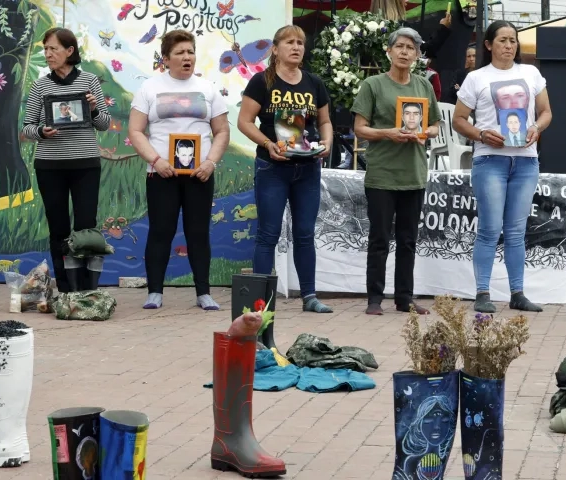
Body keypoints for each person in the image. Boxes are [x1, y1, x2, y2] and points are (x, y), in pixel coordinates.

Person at [452, 20, 552, 313]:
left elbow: (546, 112)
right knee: (489, 228)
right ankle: (482, 292)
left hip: (525, 160)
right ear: (488, 45)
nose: (509, 46)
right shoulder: (476, 78)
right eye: (502, 40)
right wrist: (481, 134)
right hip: (489, 160)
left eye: (513, 40)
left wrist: (536, 127)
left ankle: (517, 293)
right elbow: (458, 119)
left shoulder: (530, 73)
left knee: (516, 231)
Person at [128, 29, 230, 310]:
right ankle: (155, 292)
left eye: (191, 52)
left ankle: (203, 294)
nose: (187, 58)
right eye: (180, 53)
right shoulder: (150, 88)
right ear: (166, 59)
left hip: (200, 175)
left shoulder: (208, 88)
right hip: (162, 174)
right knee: (161, 231)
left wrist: (210, 162)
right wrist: (156, 161)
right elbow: (136, 130)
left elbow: (221, 131)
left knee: (198, 232)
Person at [237, 25, 334, 314]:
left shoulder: (314, 83)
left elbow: (325, 121)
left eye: (301, 42)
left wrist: (326, 142)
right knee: (268, 233)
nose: (296, 47)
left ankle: (310, 296)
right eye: (289, 42)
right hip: (272, 168)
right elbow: (244, 121)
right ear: (276, 49)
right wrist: (268, 144)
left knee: (305, 233)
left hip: (307, 168)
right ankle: (261, 301)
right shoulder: (261, 82)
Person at [351, 27, 441, 316]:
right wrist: (388, 133)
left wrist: (426, 131)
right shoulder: (373, 85)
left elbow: (437, 125)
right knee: (379, 238)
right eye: (399, 46)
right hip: (382, 174)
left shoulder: (423, 86)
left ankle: (404, 297)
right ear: (389, 51)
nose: (404, 52)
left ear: (417, 55)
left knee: (407, 240)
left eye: (410, 48)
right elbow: (359, 128)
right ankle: (374, 299)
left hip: (413, 173)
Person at [21, 27, 111, 293]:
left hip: (85, 165)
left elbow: (105, 124)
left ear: (69, 51)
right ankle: (65, 288)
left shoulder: (90, 81)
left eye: (53, 49)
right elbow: (27, 127)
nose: (47, 54)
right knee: (58, 227)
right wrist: (41, 132)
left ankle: (85, 289)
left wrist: (94, 109)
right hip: (50, 166)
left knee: (85, 226)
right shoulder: (40, 85)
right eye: (45, 49)